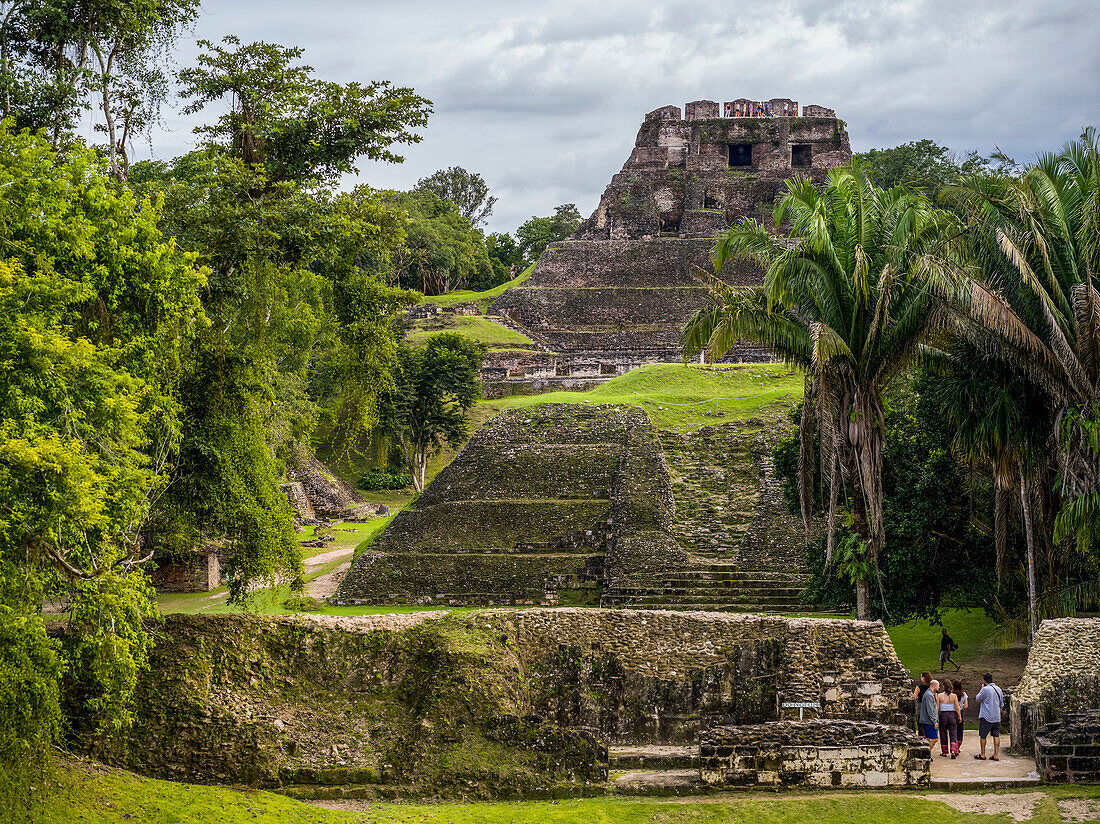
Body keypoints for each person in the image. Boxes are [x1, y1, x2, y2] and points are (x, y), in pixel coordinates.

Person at [975, 672, 1004, 761]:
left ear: (984, 680)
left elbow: (978, 698)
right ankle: (996, 754)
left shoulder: (985, 689)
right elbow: (1001, 704)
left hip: (987, 716)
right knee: (996, 735)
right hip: (996, 717)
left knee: (983, 736)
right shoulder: (998, 689)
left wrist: (982, 689)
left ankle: (983, 754)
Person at [937, 681, 962, 758]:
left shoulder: (939, 695)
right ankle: (953, 750)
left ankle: (944, 751)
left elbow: (938, 708)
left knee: (943, 733)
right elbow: (957, 707)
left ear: (943, 687)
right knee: (953, 733)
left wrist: (936, 717)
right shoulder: (954, 696)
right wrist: (959, 716)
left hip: (943, 715)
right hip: (952, 715)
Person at [919, 678, 940, 746]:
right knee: (935, 739)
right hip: (929, 721)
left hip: (927, 720)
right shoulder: (929, 695)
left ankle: (926, 753)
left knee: (927, 739)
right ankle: (927, 753)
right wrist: (935, 721)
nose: (938, 687)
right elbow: (930, 710)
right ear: (934, 686)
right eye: (938, 686)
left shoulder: (929, 694)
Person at [954, 679, 969, 752]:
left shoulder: (952, 694)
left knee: (953, 730)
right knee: (960, 731)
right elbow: (966, 706)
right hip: (960, 712)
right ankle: (958, 748)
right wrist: (961, 705)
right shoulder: (964, 695)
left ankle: (953, 747)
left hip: (953, 713)